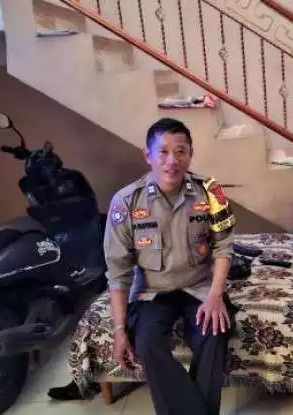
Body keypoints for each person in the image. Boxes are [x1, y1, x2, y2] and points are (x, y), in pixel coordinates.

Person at [49, 117, 237, 414]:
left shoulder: (210, 192)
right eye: (163, 151)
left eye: (181, 151)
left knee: (214, 335)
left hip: (200, 286)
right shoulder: (126, 201)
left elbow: (224, 245)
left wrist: (216, 295)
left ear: (191, 154)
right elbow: (118, 270)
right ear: (148, 155)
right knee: (147, 341)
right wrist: (119, 328)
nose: (172, 160)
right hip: (152, 292)